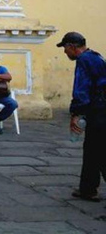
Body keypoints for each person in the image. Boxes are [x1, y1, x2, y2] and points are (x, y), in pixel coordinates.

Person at [58, 32, 106, 202]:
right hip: (102, 107)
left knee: (99, 151)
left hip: (97, 109)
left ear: (72, 46)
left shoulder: (83, 61)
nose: (64, 52)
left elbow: (82, 88)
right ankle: (87, 188)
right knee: (92, 150)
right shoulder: (97, 57)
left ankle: (88, 188)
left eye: (65, 48)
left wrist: (76, 113)